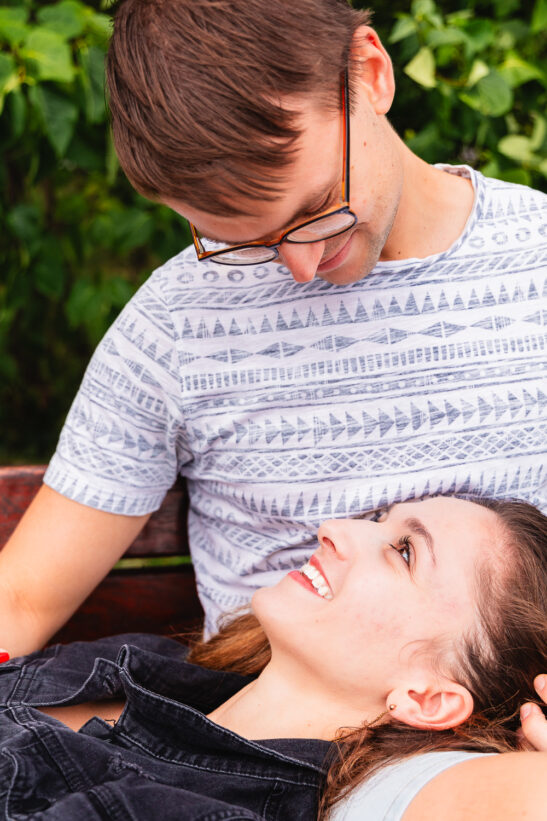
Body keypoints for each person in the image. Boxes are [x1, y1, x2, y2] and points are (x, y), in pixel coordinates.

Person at [1, 0, 546, 654]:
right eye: (245, 241)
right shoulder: (179, 319)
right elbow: (21, 598)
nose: (299, 265)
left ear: (368, 73)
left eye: (316, 208)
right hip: (247, 745)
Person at [0, 495, 546, 820]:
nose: (334, 529)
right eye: (380, 517)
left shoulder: (230, 808)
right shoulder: (147, 665)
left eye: (404, 551)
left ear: (428, 699)